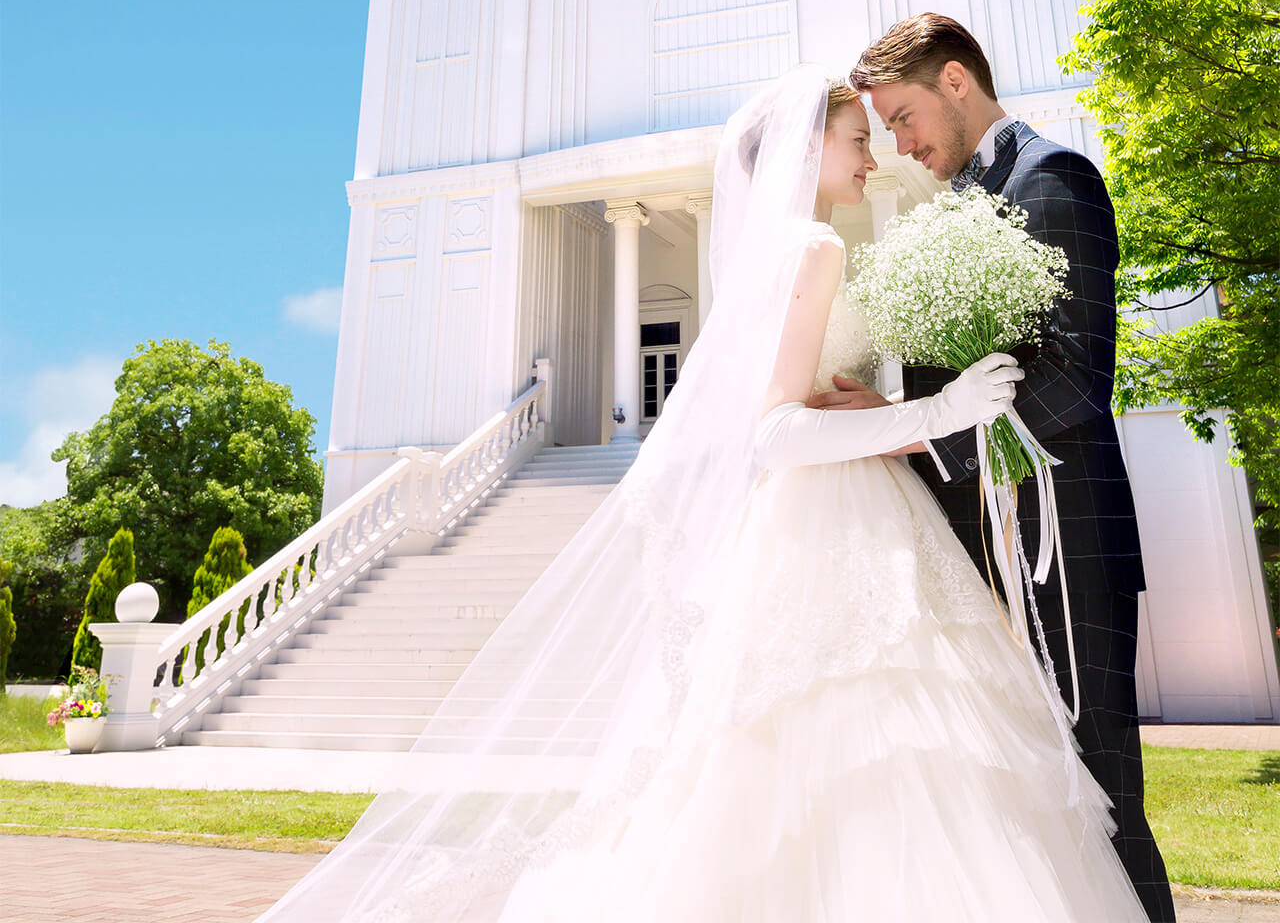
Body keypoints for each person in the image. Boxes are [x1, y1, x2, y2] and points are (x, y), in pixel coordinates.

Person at [259, 66, 1151, 923]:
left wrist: (899, 412)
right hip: (834, 519)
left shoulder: (778, 255)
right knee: (891, 746)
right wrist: (938, 413)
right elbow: (774, 432)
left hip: (845, 511)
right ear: (808, 148)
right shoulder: (814, 248)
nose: (872, 159)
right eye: (854, 139)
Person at [836, 12, 1175, 923]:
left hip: (1064, 546)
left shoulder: (1052, 178)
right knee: (1027, 807)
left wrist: (907, 434)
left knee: (1100, 799)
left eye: (903, 117)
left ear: (955, 84)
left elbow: (1074, 384)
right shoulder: (958, 209)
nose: (899, 145)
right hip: (983, 547)